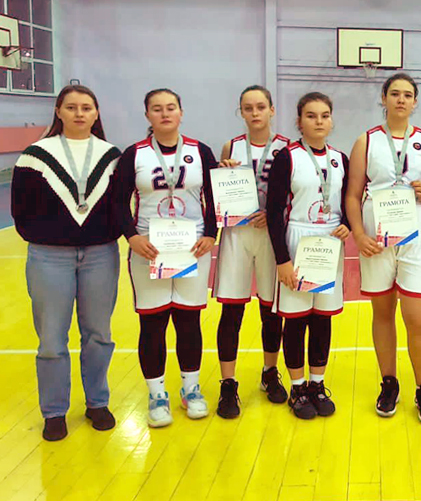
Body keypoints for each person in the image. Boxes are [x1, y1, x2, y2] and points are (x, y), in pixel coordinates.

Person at [12, 85, 121, 441]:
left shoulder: (112, 156)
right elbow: (20, 209)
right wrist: (49, 236)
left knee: (99, 335)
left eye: (86, 107)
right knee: (51, 339)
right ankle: (54, 411)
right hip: (49, 256)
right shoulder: (35, 155)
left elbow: (121, 205)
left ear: (96, 113)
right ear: (58, 111)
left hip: (100, 255)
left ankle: (97, 403)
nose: (79, 113)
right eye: (71, 107)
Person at [346, 73, 421, 424]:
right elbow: (353, 194)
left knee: (417, 317)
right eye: (394, 94)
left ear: (415, 102)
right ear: (384, 98)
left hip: (416, 236)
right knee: (383, 313)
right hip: (377, 238)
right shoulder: (366, 141)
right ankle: (389, 383)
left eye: (407, 95)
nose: (401, 100)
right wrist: (359, 234)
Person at [117, 88, 218, 428]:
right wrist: (132, 237)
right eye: (157, 109)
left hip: (193, 247)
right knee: (153, 322)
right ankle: (157, 395)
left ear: (181, 112)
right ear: (147, 115)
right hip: (150, 248)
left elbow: (214, 196)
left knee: (189, 320)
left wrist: (211, 234)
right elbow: (117, 202)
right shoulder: (134, 154)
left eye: (171, 107)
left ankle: (191, 390)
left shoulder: (200, 151)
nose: (165, 114)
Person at [267, 93, 350, 419]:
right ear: (299, 121)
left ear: (331, 120)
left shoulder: (340, 159)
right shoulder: (287, 157)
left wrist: (346, 223)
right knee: (296, 319)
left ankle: (317, 383)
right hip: (298, 239)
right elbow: (274, 212)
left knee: (321, 318)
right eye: (311, 115)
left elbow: (348, 200)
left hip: (329, 243)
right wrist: (282, 259)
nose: (319, 121)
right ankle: (297, 387)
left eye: (325, 115)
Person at [213, 85, 290, 419]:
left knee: (271, 310)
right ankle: (228, 383)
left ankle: (269, 372)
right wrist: (223, 171)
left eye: (261, 106)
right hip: (237, 234)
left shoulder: (287, 147)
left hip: (271, 235)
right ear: (241, 112)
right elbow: (217, 193)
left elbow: (292, 193)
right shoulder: (231, 147)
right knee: (232, 310)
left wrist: (273, 215)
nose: (255, 113)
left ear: (272, 110)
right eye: (248, 108)